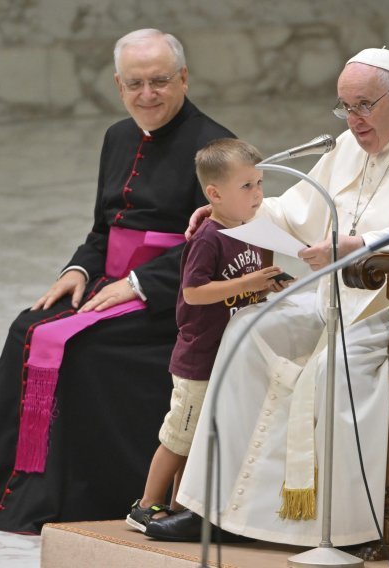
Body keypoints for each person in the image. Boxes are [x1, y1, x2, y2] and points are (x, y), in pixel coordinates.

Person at [144, 47, 389, 546]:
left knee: (337, 366)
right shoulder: (354, 146)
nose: (353, 122)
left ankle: (341, 524)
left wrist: (363, 247)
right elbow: (296, 210)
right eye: (344, 108)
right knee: (248, 329)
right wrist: (234, 217)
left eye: (362, 106)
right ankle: (209, 508)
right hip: (349, 294)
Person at [0, 28, 234, 534]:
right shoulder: (117, 136)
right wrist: (77, 270)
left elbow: (220, 246)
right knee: (26, 328)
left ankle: (68, 495)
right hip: (109, 279)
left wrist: (140, 283)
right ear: (118, 85)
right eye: (135, 84)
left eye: (159, 82)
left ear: (184, 79)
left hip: (173, 299)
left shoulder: (215, 148)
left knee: (81, 348)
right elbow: (104, 228)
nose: (147, 95)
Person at [126, 138, 289, 532]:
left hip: (228, 354)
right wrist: (249, 281)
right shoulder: (208, 238)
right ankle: (146, 505)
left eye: (260, 183)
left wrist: (270, 283)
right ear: (214, 194)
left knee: (200, 439)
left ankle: (184, 506)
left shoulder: (252, 230)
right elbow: (193, 293)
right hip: (199, 356)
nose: (258, 194)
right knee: (179, 435)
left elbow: (247, 284)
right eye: (246, 186)